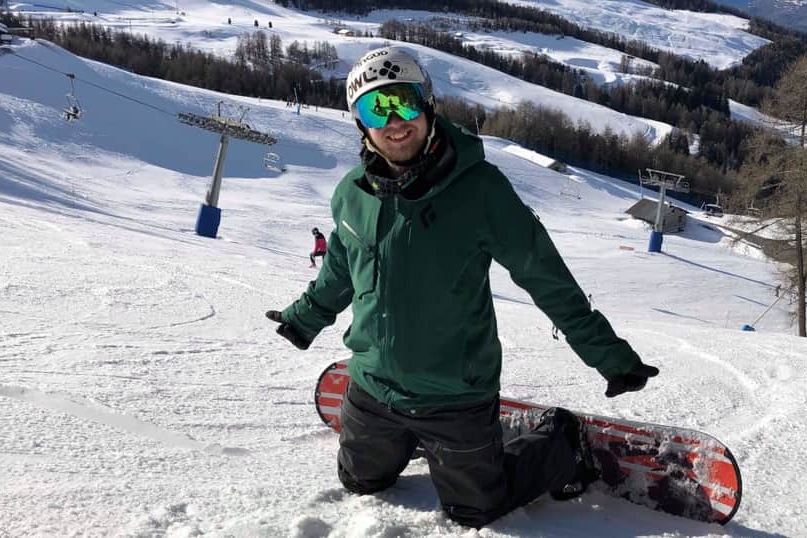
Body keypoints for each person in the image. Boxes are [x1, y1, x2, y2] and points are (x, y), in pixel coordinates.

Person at [265, 47, 659, 529]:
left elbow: (547, 278)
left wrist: (609, 355)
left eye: (403, 103)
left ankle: (561, 440)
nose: (395, 123)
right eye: (375, 109)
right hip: (372, 385)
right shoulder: (352, 194)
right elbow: (341, 272)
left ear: (428, 104)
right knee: (359, 482)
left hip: (455, 394)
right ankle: (407, 441)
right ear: (359, 124)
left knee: (476, 511)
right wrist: (303, 317)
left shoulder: (481, 191)